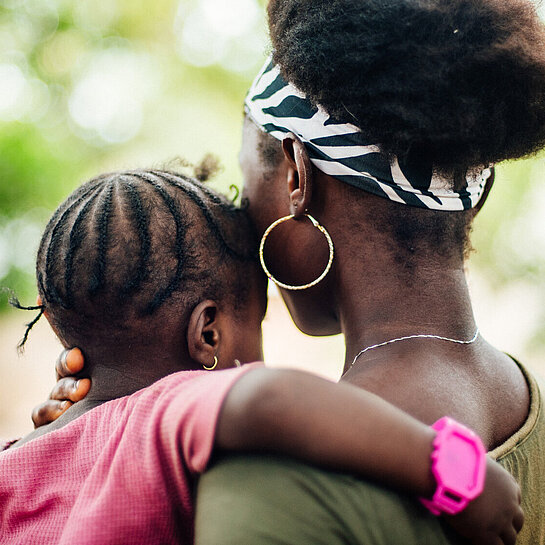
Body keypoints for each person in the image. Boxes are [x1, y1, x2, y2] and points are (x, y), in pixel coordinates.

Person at [33, 0, 545, 543]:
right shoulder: (529, 405)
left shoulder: (270, 478)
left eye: (245, 180)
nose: (243, 223)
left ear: (297, 175)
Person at [1, 170, 521, 545]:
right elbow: (270, 399)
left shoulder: (11, 460)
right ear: (207, 334)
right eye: (257, 323)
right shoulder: (164, 411)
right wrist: (450, 471)